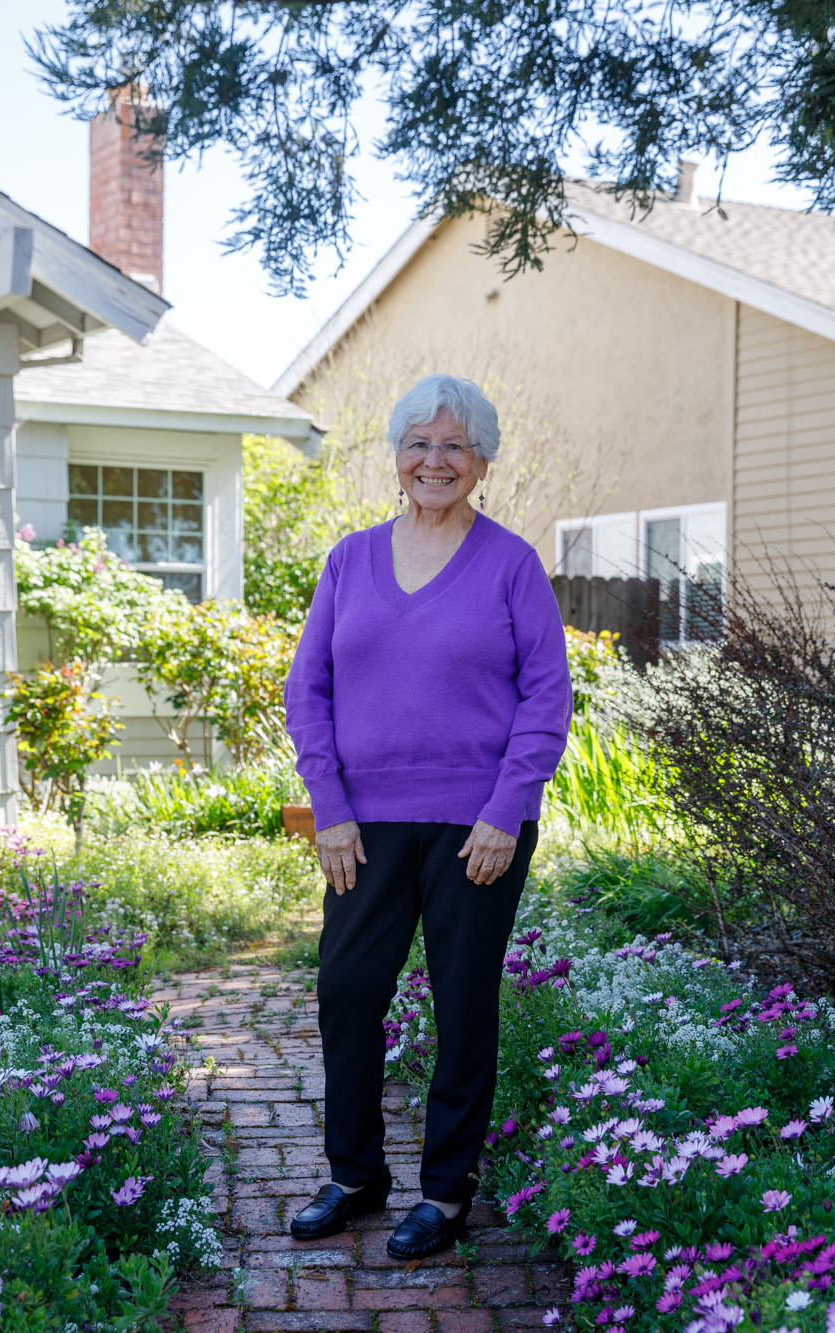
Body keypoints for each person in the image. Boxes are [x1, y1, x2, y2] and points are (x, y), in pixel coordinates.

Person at [282, 373, 573, 1261]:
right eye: (419, 442)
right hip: (361, 826)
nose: (434, 459)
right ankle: (356, 1174)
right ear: (396, 456)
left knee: (462, 1004)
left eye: (454, 444)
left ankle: (446, 1193)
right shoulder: (351, 559)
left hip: (476, 830)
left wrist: (505, 810)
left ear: (480, 461)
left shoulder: (511, 563)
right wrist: (329, 807)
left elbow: (547, 696)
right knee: (348, 992)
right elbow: (309, 688)